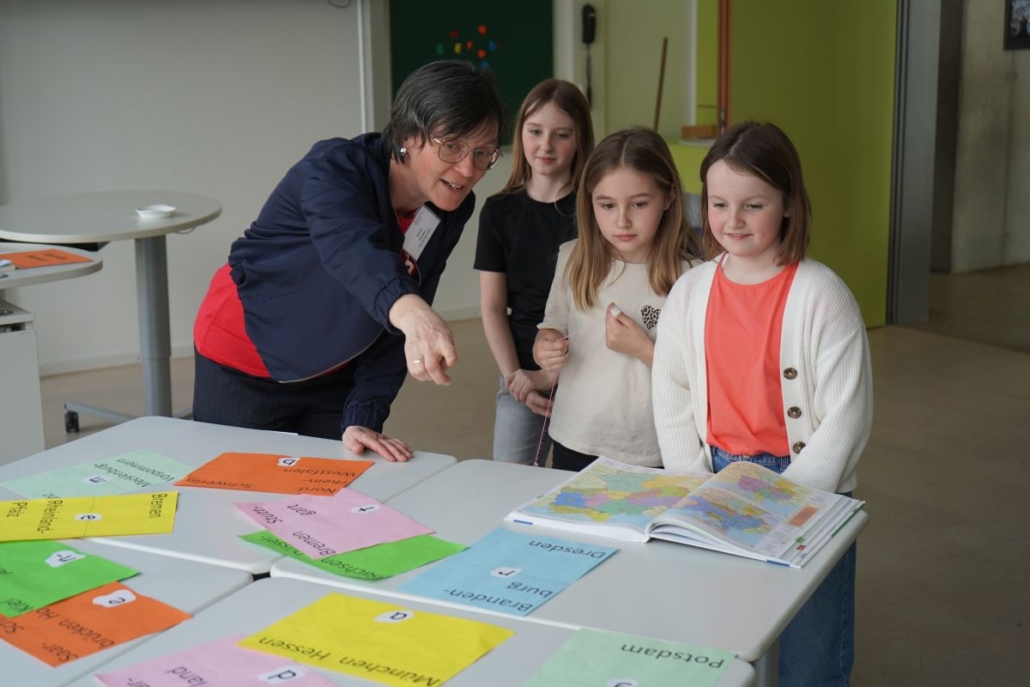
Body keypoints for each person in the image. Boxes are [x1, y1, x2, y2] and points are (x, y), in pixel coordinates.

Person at [192, 60, 509, 462]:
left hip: (333, 368)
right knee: (237, 489)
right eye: (452, 146)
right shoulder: (334, 169)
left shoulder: (449, 208)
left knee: (330, 489)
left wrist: (365, 414)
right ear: (408, 134)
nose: (467, 169)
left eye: (482, 153)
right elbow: (354, 252)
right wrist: (412, 312)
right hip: (244, 357)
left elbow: (399, 317)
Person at [651, 121, 873, 686]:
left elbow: (847, 414)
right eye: (719, 204)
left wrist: (788, 504)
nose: (733, 221)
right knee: (720, 631)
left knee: (810, 645)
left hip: (806, 485)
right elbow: (671, 392)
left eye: (754, 205)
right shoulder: (690, 291)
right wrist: (691, 480)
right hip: (714, 475)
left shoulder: (823, 294)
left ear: (789, 203)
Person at [533, 127, 701, 472]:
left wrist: (643, 349)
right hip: (575, 437)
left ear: (669, 196)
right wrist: (544, 346)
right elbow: (552, 326)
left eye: (639, 204)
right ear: (590, 201)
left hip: (655, 447)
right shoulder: (573, 258)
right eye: (607, 205)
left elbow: (701, 376)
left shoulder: (693, 277)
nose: (622, 221)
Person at [474, 79, 594, 466]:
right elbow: (493, 308)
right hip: (522, 370)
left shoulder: (596, 209)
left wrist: (551, 375)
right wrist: (515, 379)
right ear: (520, 133)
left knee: (580, 484)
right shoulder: (497, 211)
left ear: (580, 139)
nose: (545, 145)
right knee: (508, 481)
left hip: (587, 368)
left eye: (561, 135)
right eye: (535, 131)